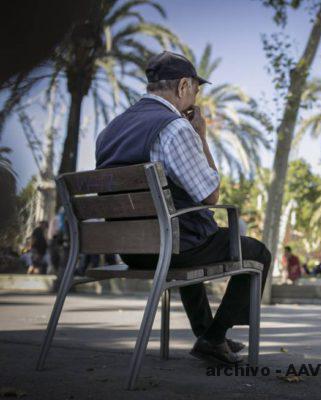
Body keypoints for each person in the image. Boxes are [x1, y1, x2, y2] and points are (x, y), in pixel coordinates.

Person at [94, 51, 271, 365]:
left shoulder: (109, 131)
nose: (194, 99)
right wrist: (201, 136)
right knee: (256, 252)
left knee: (184, 239)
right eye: (196, 92)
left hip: (131, 249)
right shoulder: (174, 128)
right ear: (184, 86)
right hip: (171, 246)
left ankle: (207, 333)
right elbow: (210, 195)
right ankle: (214, 338)